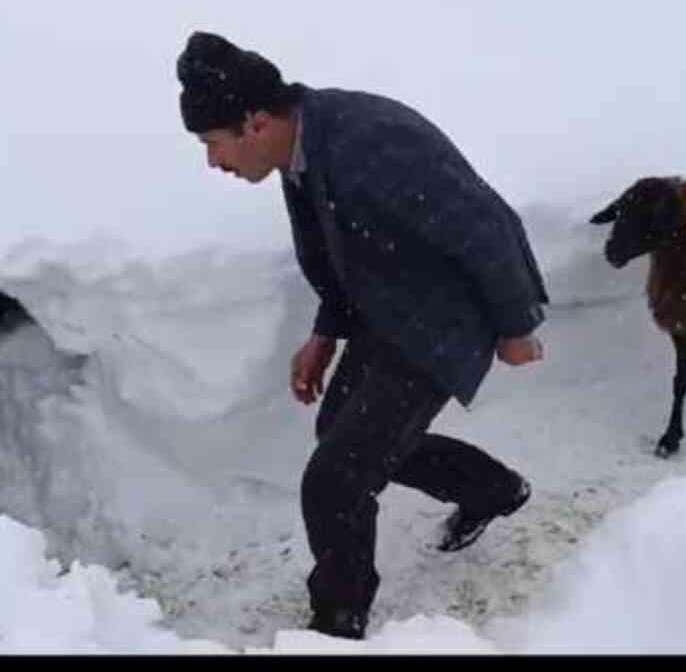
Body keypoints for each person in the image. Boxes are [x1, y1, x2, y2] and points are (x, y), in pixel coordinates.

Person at [176, 31, 549, 640]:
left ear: (256, 123)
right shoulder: (300, 150)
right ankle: (493, 489)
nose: (213, 161)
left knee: (336, 478)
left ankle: (338, 625)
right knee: (341, 437)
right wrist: (326, 334)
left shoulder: (369, 141)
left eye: (212, 143)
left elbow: (484, 225)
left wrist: (515, 324)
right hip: (392, 310)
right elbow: (337, 257)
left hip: (445, 315)